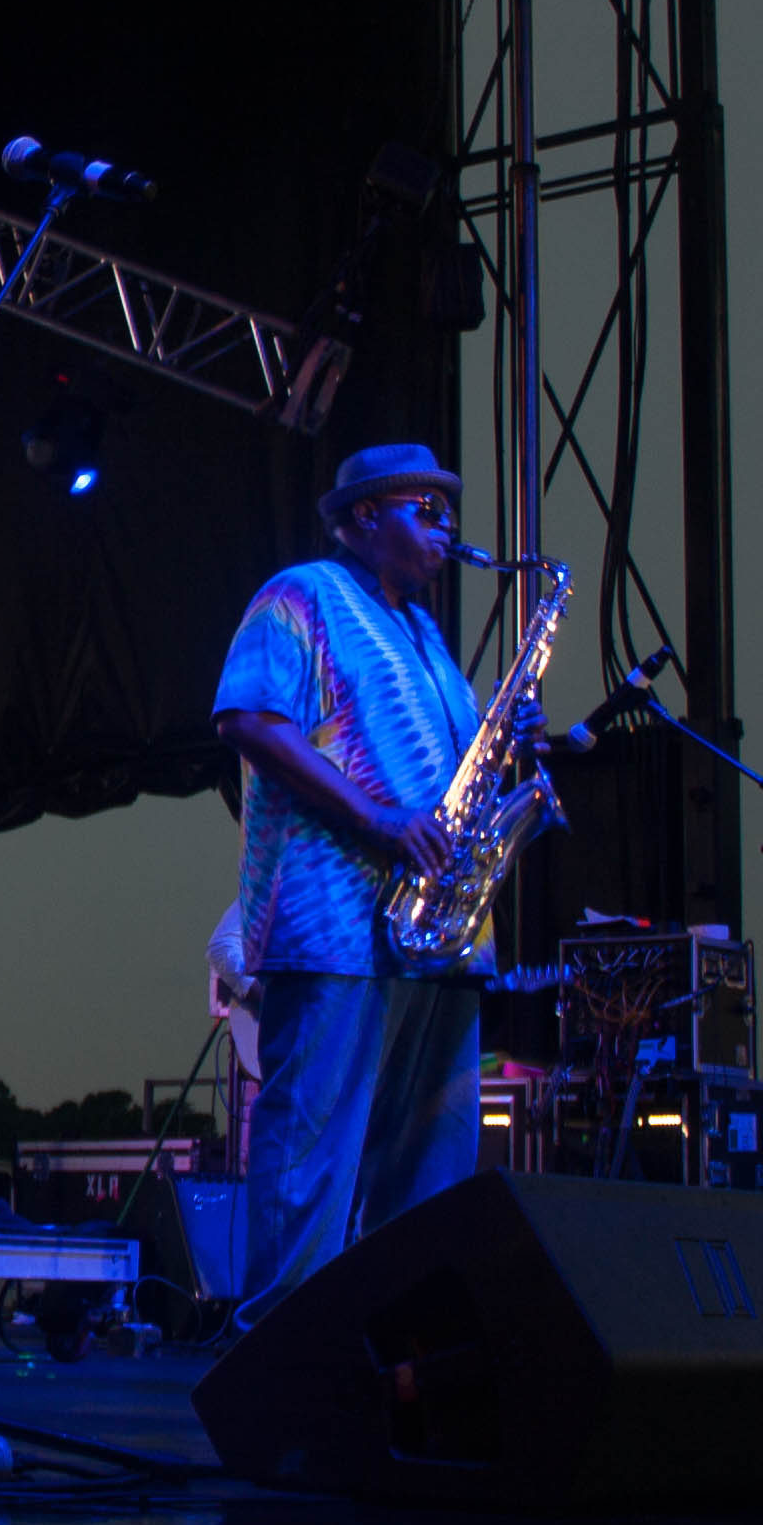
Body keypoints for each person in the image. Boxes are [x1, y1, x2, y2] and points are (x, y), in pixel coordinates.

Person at [210, 443, 520, 1307]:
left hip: (441, 938)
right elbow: (247, 721)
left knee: (434, 1169)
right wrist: (379, 820)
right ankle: (277, 1355)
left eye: (446, 508)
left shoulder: (427, 636)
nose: (444, 526)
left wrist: (522, 785)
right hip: (338, 923)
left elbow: (453, 783)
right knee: (310, 1158)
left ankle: (401, 1360)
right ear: (359, 519)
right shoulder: (301, 594)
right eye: (422, 508)